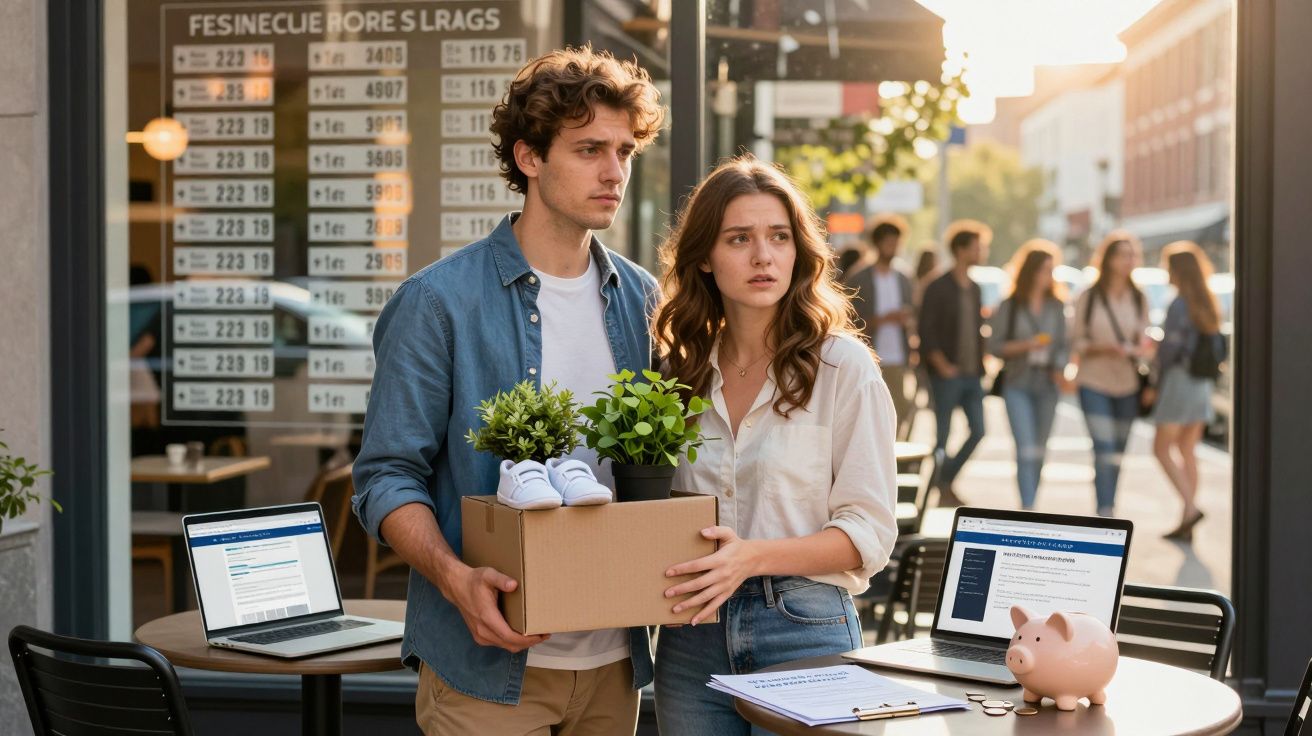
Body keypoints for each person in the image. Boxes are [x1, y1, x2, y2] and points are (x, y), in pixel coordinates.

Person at [351, 47, 665, 735]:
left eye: (624, 151)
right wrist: (456, 579)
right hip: (485, 670)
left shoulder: (643, 300)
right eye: (589, 150)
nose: (614, 172)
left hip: (616, 665)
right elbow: (384, 478)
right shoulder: (438, 302)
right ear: (529, 158)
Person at [650, 157, 898, 736]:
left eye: (779, 237)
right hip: (691, 637)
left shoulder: (842, 367)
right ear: (706, 258)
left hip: (805, 627)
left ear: (798, 252)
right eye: (740, 239)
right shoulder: (678, 373)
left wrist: (751, 558)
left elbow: (869, 533)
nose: (763, 256)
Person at [1071, 231, 1151, 518]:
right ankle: (1104, 510)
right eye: (1123, 255)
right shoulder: (1089, 297)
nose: (1129, 261)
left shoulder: (1139, 298)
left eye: (1133, 255)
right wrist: (1100, 347)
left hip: (1127, 383)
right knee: (1103, 446)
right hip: (1094, 380)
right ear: (1109, 260)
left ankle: (1109, 503)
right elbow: (1075, 341)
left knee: (1118, 450)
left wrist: (1142, 348)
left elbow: (1145, 339)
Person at [987, 240, 1069, 510]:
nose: (1049, 275)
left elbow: (1064, 344)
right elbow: (994, 346)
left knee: (1040, 449)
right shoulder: (1010, 305)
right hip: (1018, 382)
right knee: (1025, 447)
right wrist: (1027, 345)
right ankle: (1028, 507)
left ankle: (1032, 499)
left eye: (1052, 269)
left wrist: (1059, 366)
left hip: (1047, 383)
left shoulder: (1056, 306)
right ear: (1030, 271)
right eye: (1044, 269)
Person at [1151, 241, 1225, 541]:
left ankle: (1191, 508)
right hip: (1202, 384)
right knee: (1187, 450)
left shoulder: (1179, 303)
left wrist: (1154, 381)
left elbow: (1170, 351)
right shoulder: (1208, 301)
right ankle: (1186, 520)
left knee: (1161, 448)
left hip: (1180, 381)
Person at [918, 221, 991, 506]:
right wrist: (941, 364)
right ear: (961, 250)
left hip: (973, 373)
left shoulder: (974, 288)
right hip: (946, 373)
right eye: (977, 247)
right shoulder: (937, 286)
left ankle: (943, 480)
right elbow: (927, 331)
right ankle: (937, 490)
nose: (981, 252)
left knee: (979, 431)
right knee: (943, 436)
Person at [842, 214, 917, 438]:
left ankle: (893, 449)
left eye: (897, 242)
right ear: (878, 243)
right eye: (889, 242)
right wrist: (884, 319)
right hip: (869, 352)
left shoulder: (903, 277)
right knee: (872, 410)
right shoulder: (860, 278)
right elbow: (849, 319)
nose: (894, 247)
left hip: (897, 355)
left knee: (902, 408)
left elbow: (912, 313)